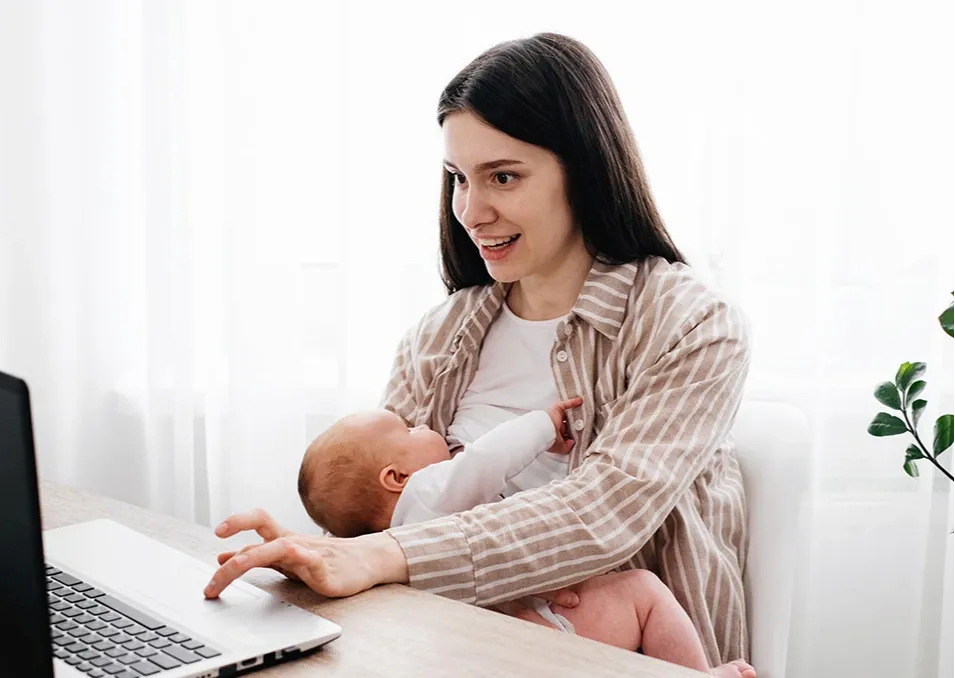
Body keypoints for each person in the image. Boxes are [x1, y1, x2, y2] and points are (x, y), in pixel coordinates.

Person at [203, 31, 753, 673]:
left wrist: (382, 557)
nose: (471, 209)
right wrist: (313, 554)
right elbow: (387, 507)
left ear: (586, 169)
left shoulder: (691, 325)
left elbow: (603, 514)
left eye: (504, 177)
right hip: (455, 639)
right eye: (459, 178)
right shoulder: (442, 335)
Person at [296, 398, 754, 677]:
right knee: (644, 592)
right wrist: (541, 426)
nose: (422, 424)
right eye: (409, 430)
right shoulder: (428, 493)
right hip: (537, 627)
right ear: (397, 477)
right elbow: (486, 459)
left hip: (492, 646)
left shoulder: (385, 546)